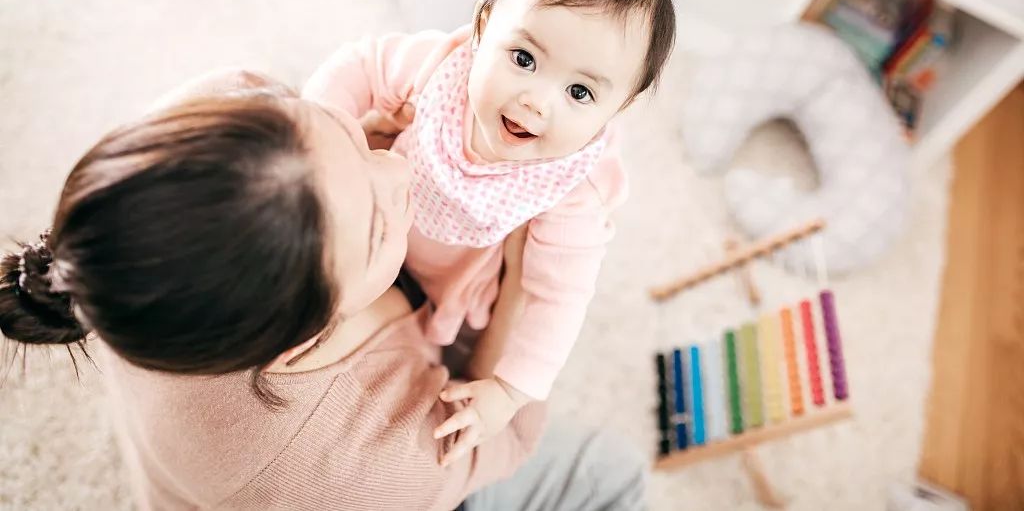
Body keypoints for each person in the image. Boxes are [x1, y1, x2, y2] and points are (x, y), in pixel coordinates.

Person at [0, 72, 647, 510]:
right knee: (613, 470)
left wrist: (354, 147)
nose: (398, 165)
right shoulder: (361, 460)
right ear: (302, 336)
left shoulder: (201, 128)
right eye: (372, 227)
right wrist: (517, 291)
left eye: (339, 133)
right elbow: (506, 437)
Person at [303, 0, 676, 460]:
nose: (537, 101)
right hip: (383, 220)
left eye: (579, 93)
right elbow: (358, 67)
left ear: (620, 107)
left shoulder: (573, 190)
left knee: (448, 354)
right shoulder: (438, 67)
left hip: (458, 286)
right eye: (523, 59)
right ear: (482, 28)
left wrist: (507, 391)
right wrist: (315, 137)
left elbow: (558, 299)